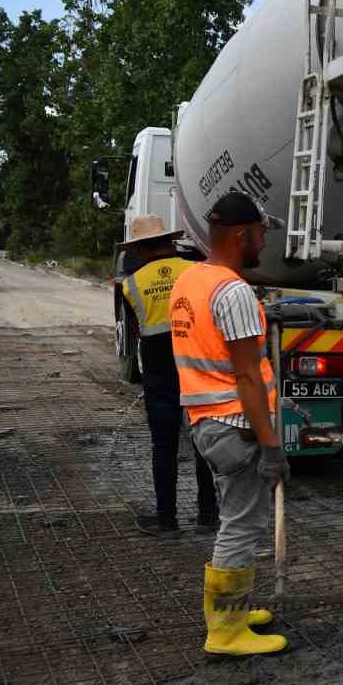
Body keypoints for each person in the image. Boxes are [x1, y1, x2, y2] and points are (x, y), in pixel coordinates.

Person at [170, 192, 289, 657]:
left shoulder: (191, 280)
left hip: (205, 422)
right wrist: (272, 445)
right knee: (240, 525)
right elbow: (246, 377)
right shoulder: (233, 292)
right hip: (236, 425)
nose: (264, 240)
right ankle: (225, 631)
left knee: (232, 520)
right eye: (261, 232)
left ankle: (232, 612)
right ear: (242, 235)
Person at [118, 216, 219, 536]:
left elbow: (135, 331)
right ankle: (208, 515)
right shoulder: (195, 272)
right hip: (196, 367)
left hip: (159, 371)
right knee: (202, 442)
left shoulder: (130, 284)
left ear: (138, 248)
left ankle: (167, 521)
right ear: (168, 241)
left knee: (164, 447)